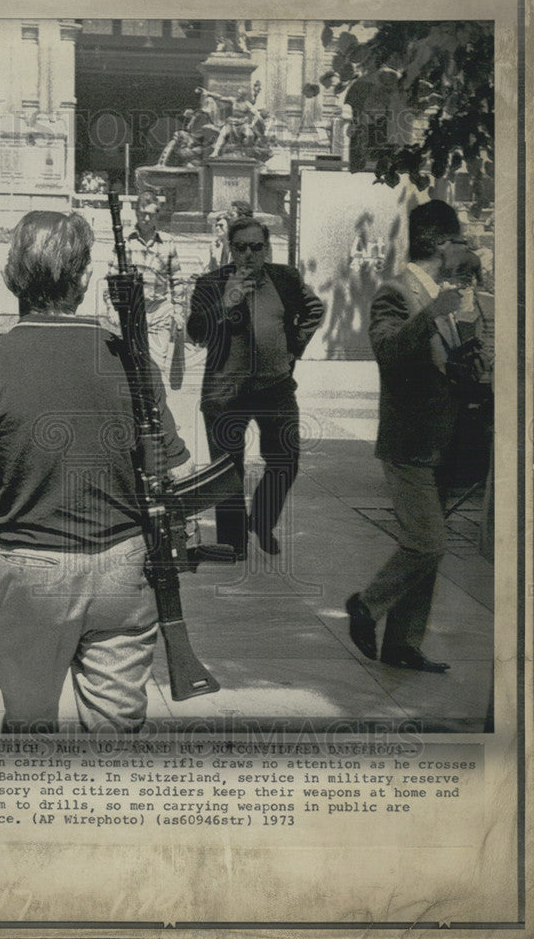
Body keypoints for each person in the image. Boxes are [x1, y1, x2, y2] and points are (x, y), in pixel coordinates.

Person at [0, 211, 191, 733]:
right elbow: (179, 468)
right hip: (124, 570)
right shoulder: (131, 361)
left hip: (27, 574)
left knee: (30, 729)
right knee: (115, 740)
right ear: (85, 280)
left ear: (9, 277)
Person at [346, 200, 485, 673]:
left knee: (430, 547)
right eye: (459, 240)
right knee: (427, 542)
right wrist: (433, 313)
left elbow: (444, 361)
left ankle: (402, 645)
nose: (463, 249)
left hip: (445, 438)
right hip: (409, 441)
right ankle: (365, 604)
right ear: (440, 243)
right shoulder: (396, 292)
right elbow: (387, 350)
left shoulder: (445, 290)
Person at [187, 217, 324, 557]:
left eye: (256, 247)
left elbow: (315, 308)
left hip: (275, 387)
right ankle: (234, 544)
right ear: (229, 248)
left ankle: (261, 520)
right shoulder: (210, 283)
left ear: (267, 247)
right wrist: (226, 302)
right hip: (225, 391)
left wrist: (295, 347)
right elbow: (195, 333)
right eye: (241, 247)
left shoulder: (285, 278)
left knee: (286, 459)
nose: (248, 254)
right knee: (227, 470)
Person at [103, 191, 186, 389]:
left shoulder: (168, 243)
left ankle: (157, 413)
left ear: (157, 215)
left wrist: (179, 309)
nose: (146, 218)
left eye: (151, 214)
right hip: (132, 313)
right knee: (133, 368)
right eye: (142, 213)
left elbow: (176, 279)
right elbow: (112, 279)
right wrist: (111, 307)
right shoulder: (125, 242)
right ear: (136, 213)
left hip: (159, 312)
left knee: (155, 367)